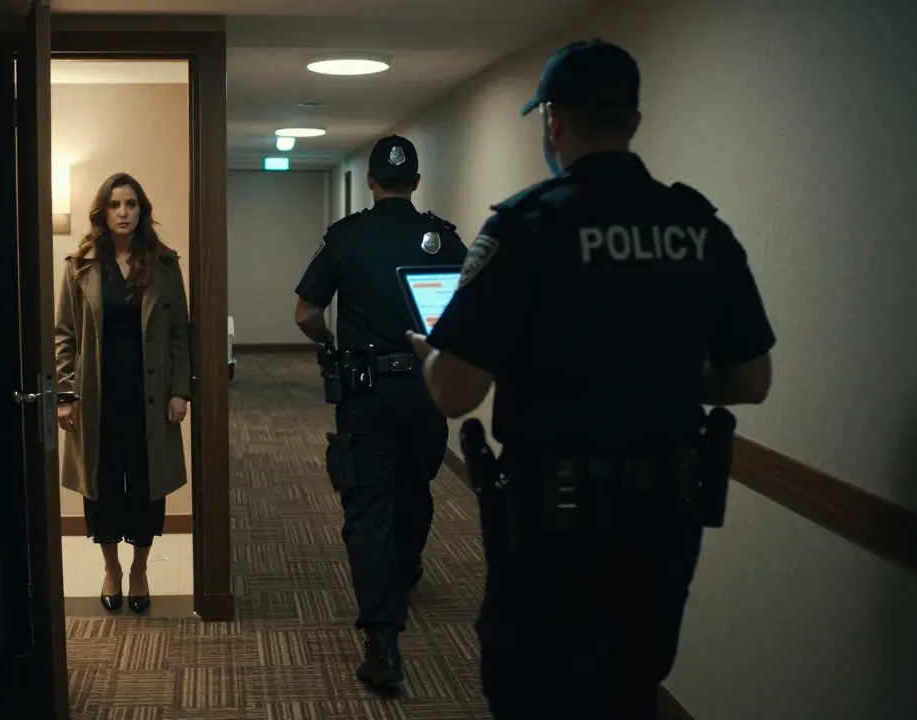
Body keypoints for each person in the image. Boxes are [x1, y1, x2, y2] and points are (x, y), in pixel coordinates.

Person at [407, 39, 776, 719]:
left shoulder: (527, 227)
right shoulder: (696, 228)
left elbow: (456, 391)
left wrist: (433, 352)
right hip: (665, 517)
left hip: (556, 520)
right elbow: (751, 379)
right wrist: (651, 375)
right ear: (633, 121)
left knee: (537, 689)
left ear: (553, 121)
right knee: (629, 688)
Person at [293, 135, 469, 689]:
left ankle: (383, 644)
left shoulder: (347, 238)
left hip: (366, 392)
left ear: (370, 181)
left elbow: (305, 313)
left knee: (368, 507)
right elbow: (465, 317)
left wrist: (328, 344)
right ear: (416, 182)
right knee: (415, 486)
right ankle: (407, 568)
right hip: (427, 389)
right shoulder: (443, 239)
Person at [54, 172, 193, 614]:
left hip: (149, 399)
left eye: (131, 204)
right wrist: (65, 393)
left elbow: (179, 336)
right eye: (115, 204)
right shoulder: (80, 265)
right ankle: (111, 567)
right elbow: (64, 335)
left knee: (149, 487)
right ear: (102, 211)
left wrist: (180, 391)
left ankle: (140, 568)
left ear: (142, 211)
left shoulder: (165, 264)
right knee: (103, 487)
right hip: (98, 400)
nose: (123, 212)